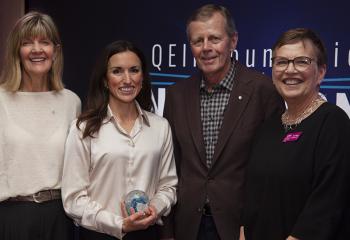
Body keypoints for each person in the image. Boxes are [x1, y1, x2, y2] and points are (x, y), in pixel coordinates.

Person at [161, 4, 284, 240]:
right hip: (188, 226)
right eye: (198, 41)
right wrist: (167, 233)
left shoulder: (263, 91)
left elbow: (272, 172)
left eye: (215, 38)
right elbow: (169, 169)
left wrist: (255, 226)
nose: (206, 48)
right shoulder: (176, 95)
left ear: (233, 41)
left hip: (241, 227)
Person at [61, 40, 178, 240]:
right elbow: (73, 199)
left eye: (134, 70)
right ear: (105, 80)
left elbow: (168, 186)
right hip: (99, 234)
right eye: (117, 71)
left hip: (147, 233)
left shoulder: (160, 127)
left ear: (142, 78)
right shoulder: (83, 128)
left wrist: (153, 210)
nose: (127, 79)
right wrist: (119, 224)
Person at [242, 28, 350, 240]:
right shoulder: (268, 127)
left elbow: (327, 205)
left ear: (320, 72)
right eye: (281, 62)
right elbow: (252, 196)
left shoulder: (334, 123)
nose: (289, 70)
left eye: (301, 61)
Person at [0, 11, 81, 240]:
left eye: (44, 42)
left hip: (58, 217)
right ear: (17, 51)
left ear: (55, 51)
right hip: (10, 218)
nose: (37, 49)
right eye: (27, 43)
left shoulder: (71, 102)